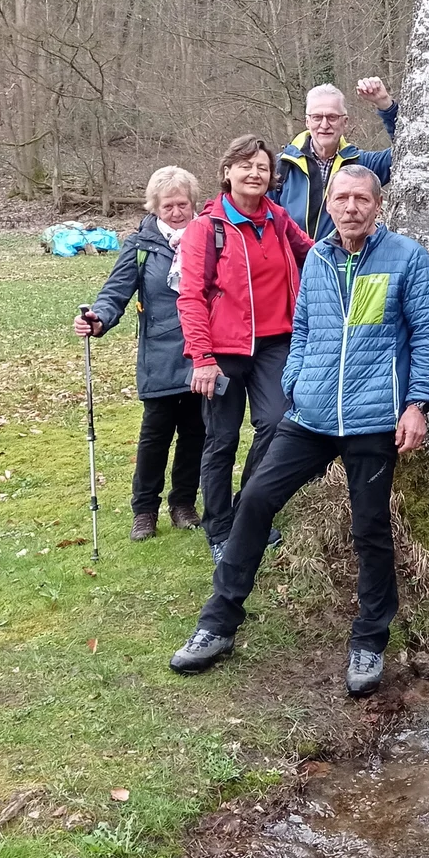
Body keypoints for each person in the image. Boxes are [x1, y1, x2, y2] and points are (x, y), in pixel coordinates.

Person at [169, 164, 429, 697]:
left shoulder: (405, 257)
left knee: (370, 530)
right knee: (254, 500)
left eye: (361, 198)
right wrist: (295, 384)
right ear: (331, 206)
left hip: (372, 418)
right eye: (341, 198)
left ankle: (369, 639)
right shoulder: (317, 256)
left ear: (377, 204)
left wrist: (417, 405)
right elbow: (305, 329)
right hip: (311, 416)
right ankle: (219, 622)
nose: (350, 207)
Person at [177, 136, 313, 561]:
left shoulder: (277, 218)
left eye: (261, 167)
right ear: (227, 172)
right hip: (223, 349)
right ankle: (219, 531)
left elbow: (311, 252)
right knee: (221, 439)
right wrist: (202, 358)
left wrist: (355, 247)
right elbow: (191, 296)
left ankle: (245, 512)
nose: (255, 174)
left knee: (276, 425)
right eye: (245, 166)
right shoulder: (207, 228)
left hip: (276, 343)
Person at [73, 167, 206, 541]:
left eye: (183, 204)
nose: (177, 212)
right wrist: (98, 319)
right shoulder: (139, 245)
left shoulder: (209, 236)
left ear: (193, 204)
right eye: (168, 206)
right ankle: (144, 510)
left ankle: (183, 504)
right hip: (159, 354)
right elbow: (116, 292)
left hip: (201, 353)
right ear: (154, 207)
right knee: (155, 436)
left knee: (196, 432)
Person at [276, 79, 399, 240]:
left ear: (345, 122)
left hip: (345, 263)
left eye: (332, 117)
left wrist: (385, 104)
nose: (324, 124)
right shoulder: (281, 166)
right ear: (307, 121)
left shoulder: (363, 165)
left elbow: (409, 150)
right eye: (317, 117)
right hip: (292, 265)